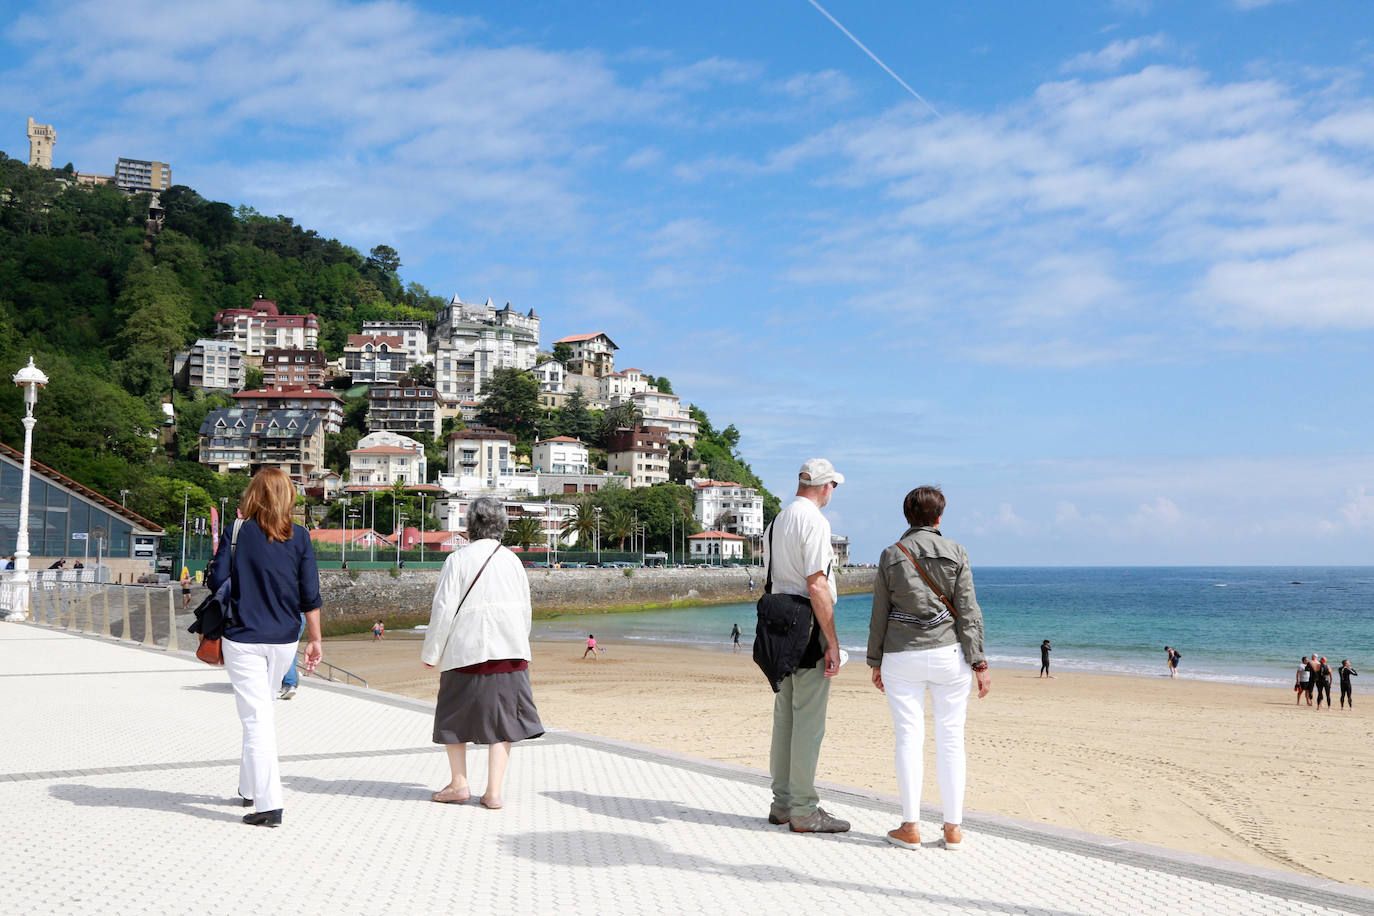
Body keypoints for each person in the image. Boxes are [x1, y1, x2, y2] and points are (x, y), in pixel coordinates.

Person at [869, 485, 989, 852]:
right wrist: (979, 662)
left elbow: (880, 614)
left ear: (907, 517)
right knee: (951, 739)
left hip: (901, 655)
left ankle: (911, 828)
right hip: (948, 656)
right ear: (939, 517)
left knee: (909, 738)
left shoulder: (891, 555)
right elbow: (968, 611)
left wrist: (875, 661)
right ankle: (953, 830)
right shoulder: (957, 552)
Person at [205, 467, 322, 828]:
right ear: (288, 497)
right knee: (260, 712)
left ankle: (269, 804)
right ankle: (249, 786)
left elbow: (215, 581)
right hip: (284, 639)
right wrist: (315, 639)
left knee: (257, 718)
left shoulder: (237, 532)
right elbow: (310, 595)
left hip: (242, 638)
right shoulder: (300, 537)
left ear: (253, 495)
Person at [422, 498, 543, 810]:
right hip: (510, 650)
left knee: (453, 714)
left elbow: (443, 611)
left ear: (470, 525)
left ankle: (459, 783)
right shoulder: (512, 561)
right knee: (504, 721)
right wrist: (521, 643)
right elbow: (525, 609)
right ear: (501, 525)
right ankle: (493, 791)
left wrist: (432, 652)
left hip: (466, 650)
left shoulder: (458, 560)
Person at [763, 458, 848, 834]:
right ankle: (803, 809)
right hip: (806, 625)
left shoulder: (778, 520)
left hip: (779, 624)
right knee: (809, 722)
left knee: (786, 719)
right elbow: (816, 585)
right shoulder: (814, 520)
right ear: (825, 486)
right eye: (834, 486)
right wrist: (832, 642)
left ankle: (782, 803)